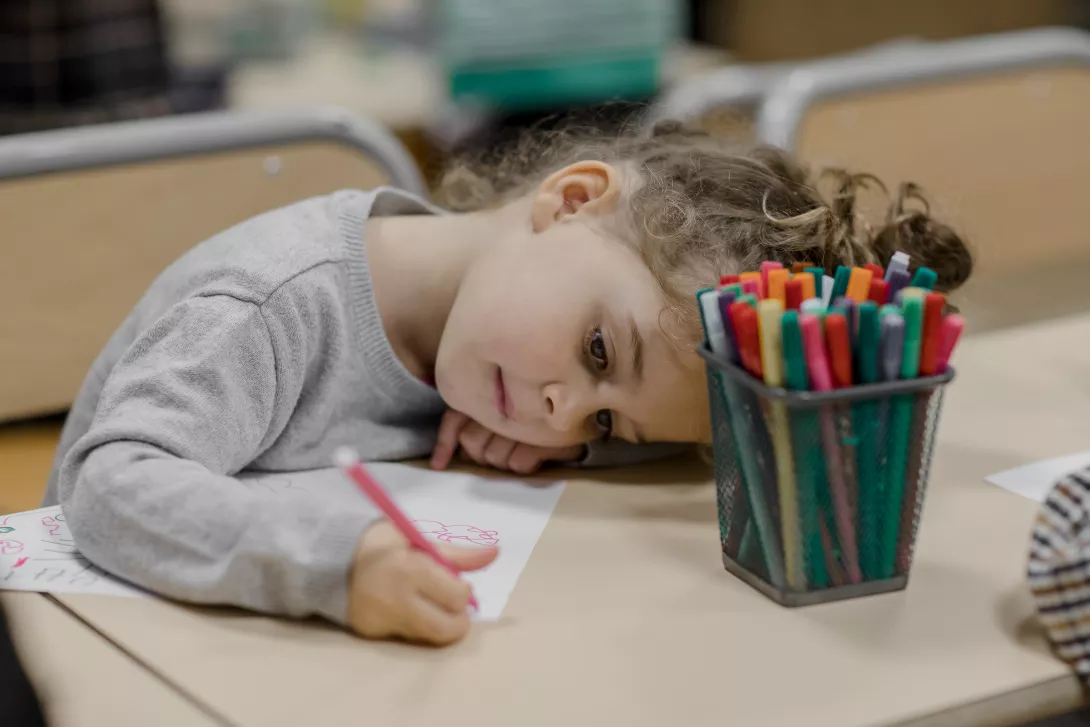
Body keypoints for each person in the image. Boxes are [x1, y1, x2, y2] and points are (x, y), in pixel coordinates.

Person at [44, 121, 973, 646]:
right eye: (600, 354)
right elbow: (111, 480)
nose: (564, 408)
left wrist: (563, 446)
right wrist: (336, 560)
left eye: (604, 422)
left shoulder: (494, 349)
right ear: (572, 200)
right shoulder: (273, 306)